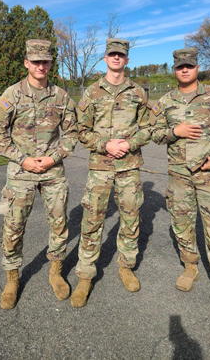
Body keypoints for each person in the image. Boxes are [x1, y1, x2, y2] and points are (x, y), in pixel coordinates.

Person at [150, 47, 210, 317]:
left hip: (209, 175)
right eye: (180, 67)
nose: (185, 70)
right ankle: (190, 268)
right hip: (178, 175)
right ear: (174, 70)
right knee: (182, 225)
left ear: (197, 67)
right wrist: (174, 131)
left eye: (189, 65)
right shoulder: (165, 102)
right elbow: (153, 133)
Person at [0, 39, 78, 310]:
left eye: (45, 61)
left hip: (53, 171)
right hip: (21, 172)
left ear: (51, 63)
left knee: (60, 224)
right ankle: (12, 278)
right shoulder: (12, 95)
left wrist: (53, 157)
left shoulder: (61, 97)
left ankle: (56, 272)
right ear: (27, 63)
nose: (41, 66)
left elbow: (73, 133)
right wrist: (23, 159)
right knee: (14, 226)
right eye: (35, 61)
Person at [70, 38, 151, 308]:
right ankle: (85, 274)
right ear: (105, 58)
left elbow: (148, 128)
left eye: (121, 55)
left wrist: (129, 144)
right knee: (92, 219)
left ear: (127, 60)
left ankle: (126, 266)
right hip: (100, 167)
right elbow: (82, 130)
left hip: (129, 167)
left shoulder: (138, 93)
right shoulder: (92, 93)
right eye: (112, 54)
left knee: (130, 217)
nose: (116, 58)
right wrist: (105, 145)